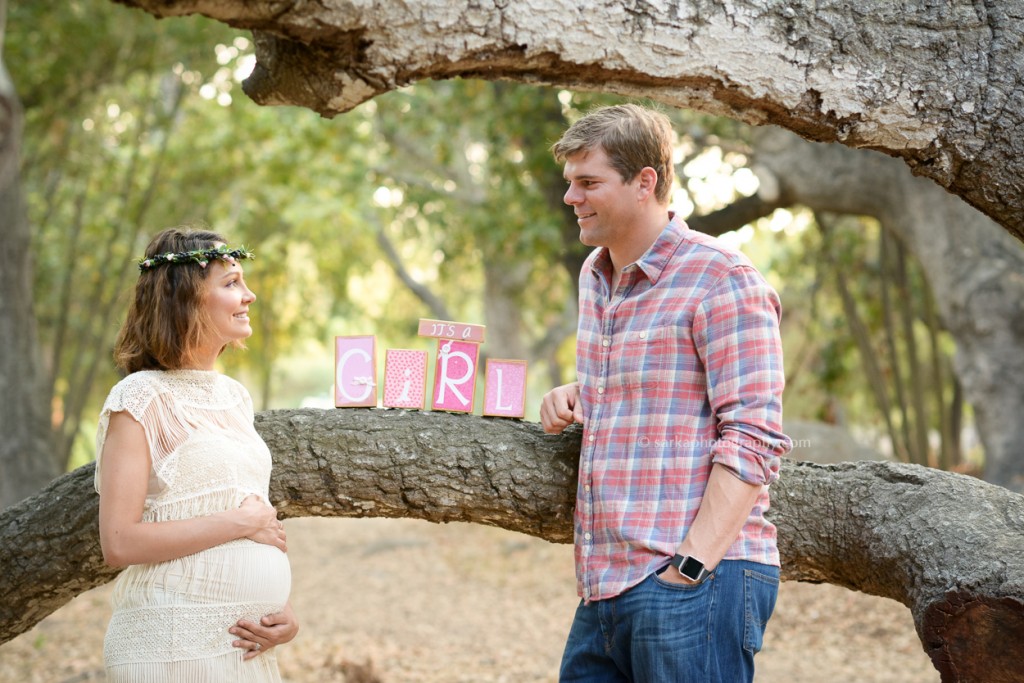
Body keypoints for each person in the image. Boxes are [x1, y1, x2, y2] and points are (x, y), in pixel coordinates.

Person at [539, 104, 792, 682]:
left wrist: (691, 567)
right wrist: (577, 393)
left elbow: (754, 436)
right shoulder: (595, 276)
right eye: (569, 184)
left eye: (588, 183)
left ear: (644, 182)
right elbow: (658, 383)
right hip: (605, 584)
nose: (570, 198)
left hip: (693, 580)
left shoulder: (722, 277)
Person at [95, 227, 298, 682]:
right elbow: (119, 542)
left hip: (245, 648)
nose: (250, 295)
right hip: (170, 647)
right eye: (231, 284)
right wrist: (243, 523)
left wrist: (282, 613)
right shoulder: (139, 398)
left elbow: (249, 515)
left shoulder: (235, 397)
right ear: (184, 298)